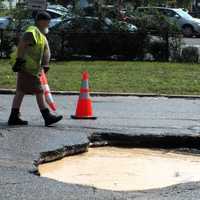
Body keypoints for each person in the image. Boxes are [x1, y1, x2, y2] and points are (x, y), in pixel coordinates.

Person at [8, 11, 63, 126]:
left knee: (21, 92)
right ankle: (46, 116)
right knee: (39, 91)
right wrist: (19, 60)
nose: (49, 24)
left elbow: (44, 50)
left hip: (31, 68)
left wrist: (45, 64)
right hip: (27, 67)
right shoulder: (32, 31)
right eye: (47, 22)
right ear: (41, 21)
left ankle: (14, 116)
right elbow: (23, 42)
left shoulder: (40, 34)